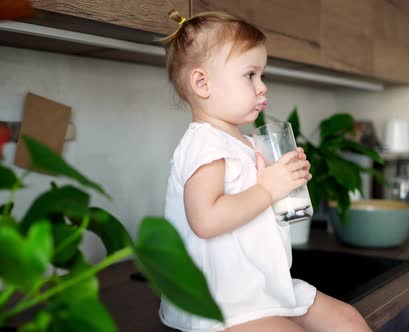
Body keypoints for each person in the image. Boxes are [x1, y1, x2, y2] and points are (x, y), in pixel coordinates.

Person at [159, 9, 371, 332]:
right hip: (220, 300)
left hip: (259, 287)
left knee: (349, 320)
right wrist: (267, 189)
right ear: (202, 83)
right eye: (250, 75)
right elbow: (205, 219)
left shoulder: (244, 142)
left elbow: (256, 208)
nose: (262, 87)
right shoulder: (203, 144)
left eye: (262, 76)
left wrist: (286, 180)